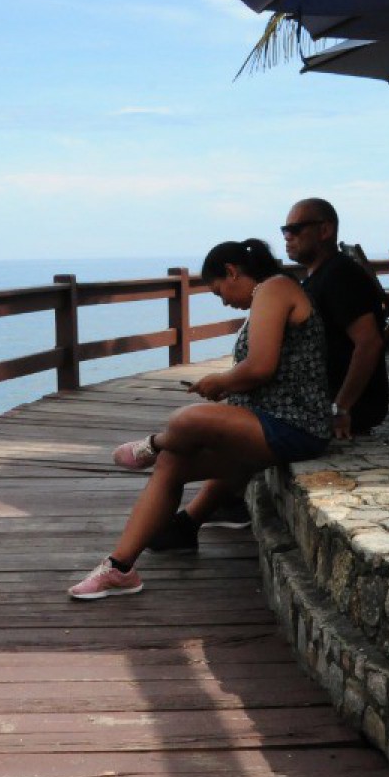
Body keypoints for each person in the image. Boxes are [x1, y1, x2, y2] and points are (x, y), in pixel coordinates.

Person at [70, 239, 329, 599]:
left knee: (184, 422)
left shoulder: (274, 287)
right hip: (268, 420)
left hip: (293, 424)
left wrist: (219, 381)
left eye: (219, 290)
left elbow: (261, 366)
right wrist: (227, 388)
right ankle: (119, 567)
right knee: (173, 464)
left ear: (232, 271)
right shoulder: (267, 295)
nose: (223, 300)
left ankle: (151, 444)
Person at [283, 198, 389, 438]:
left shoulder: (340, 276)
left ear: (325, 230)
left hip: (344, 408)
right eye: (285, 230)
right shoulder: (322, 276)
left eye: (295, 229)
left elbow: (369, 343)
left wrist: (340, 407)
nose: (287, 236)